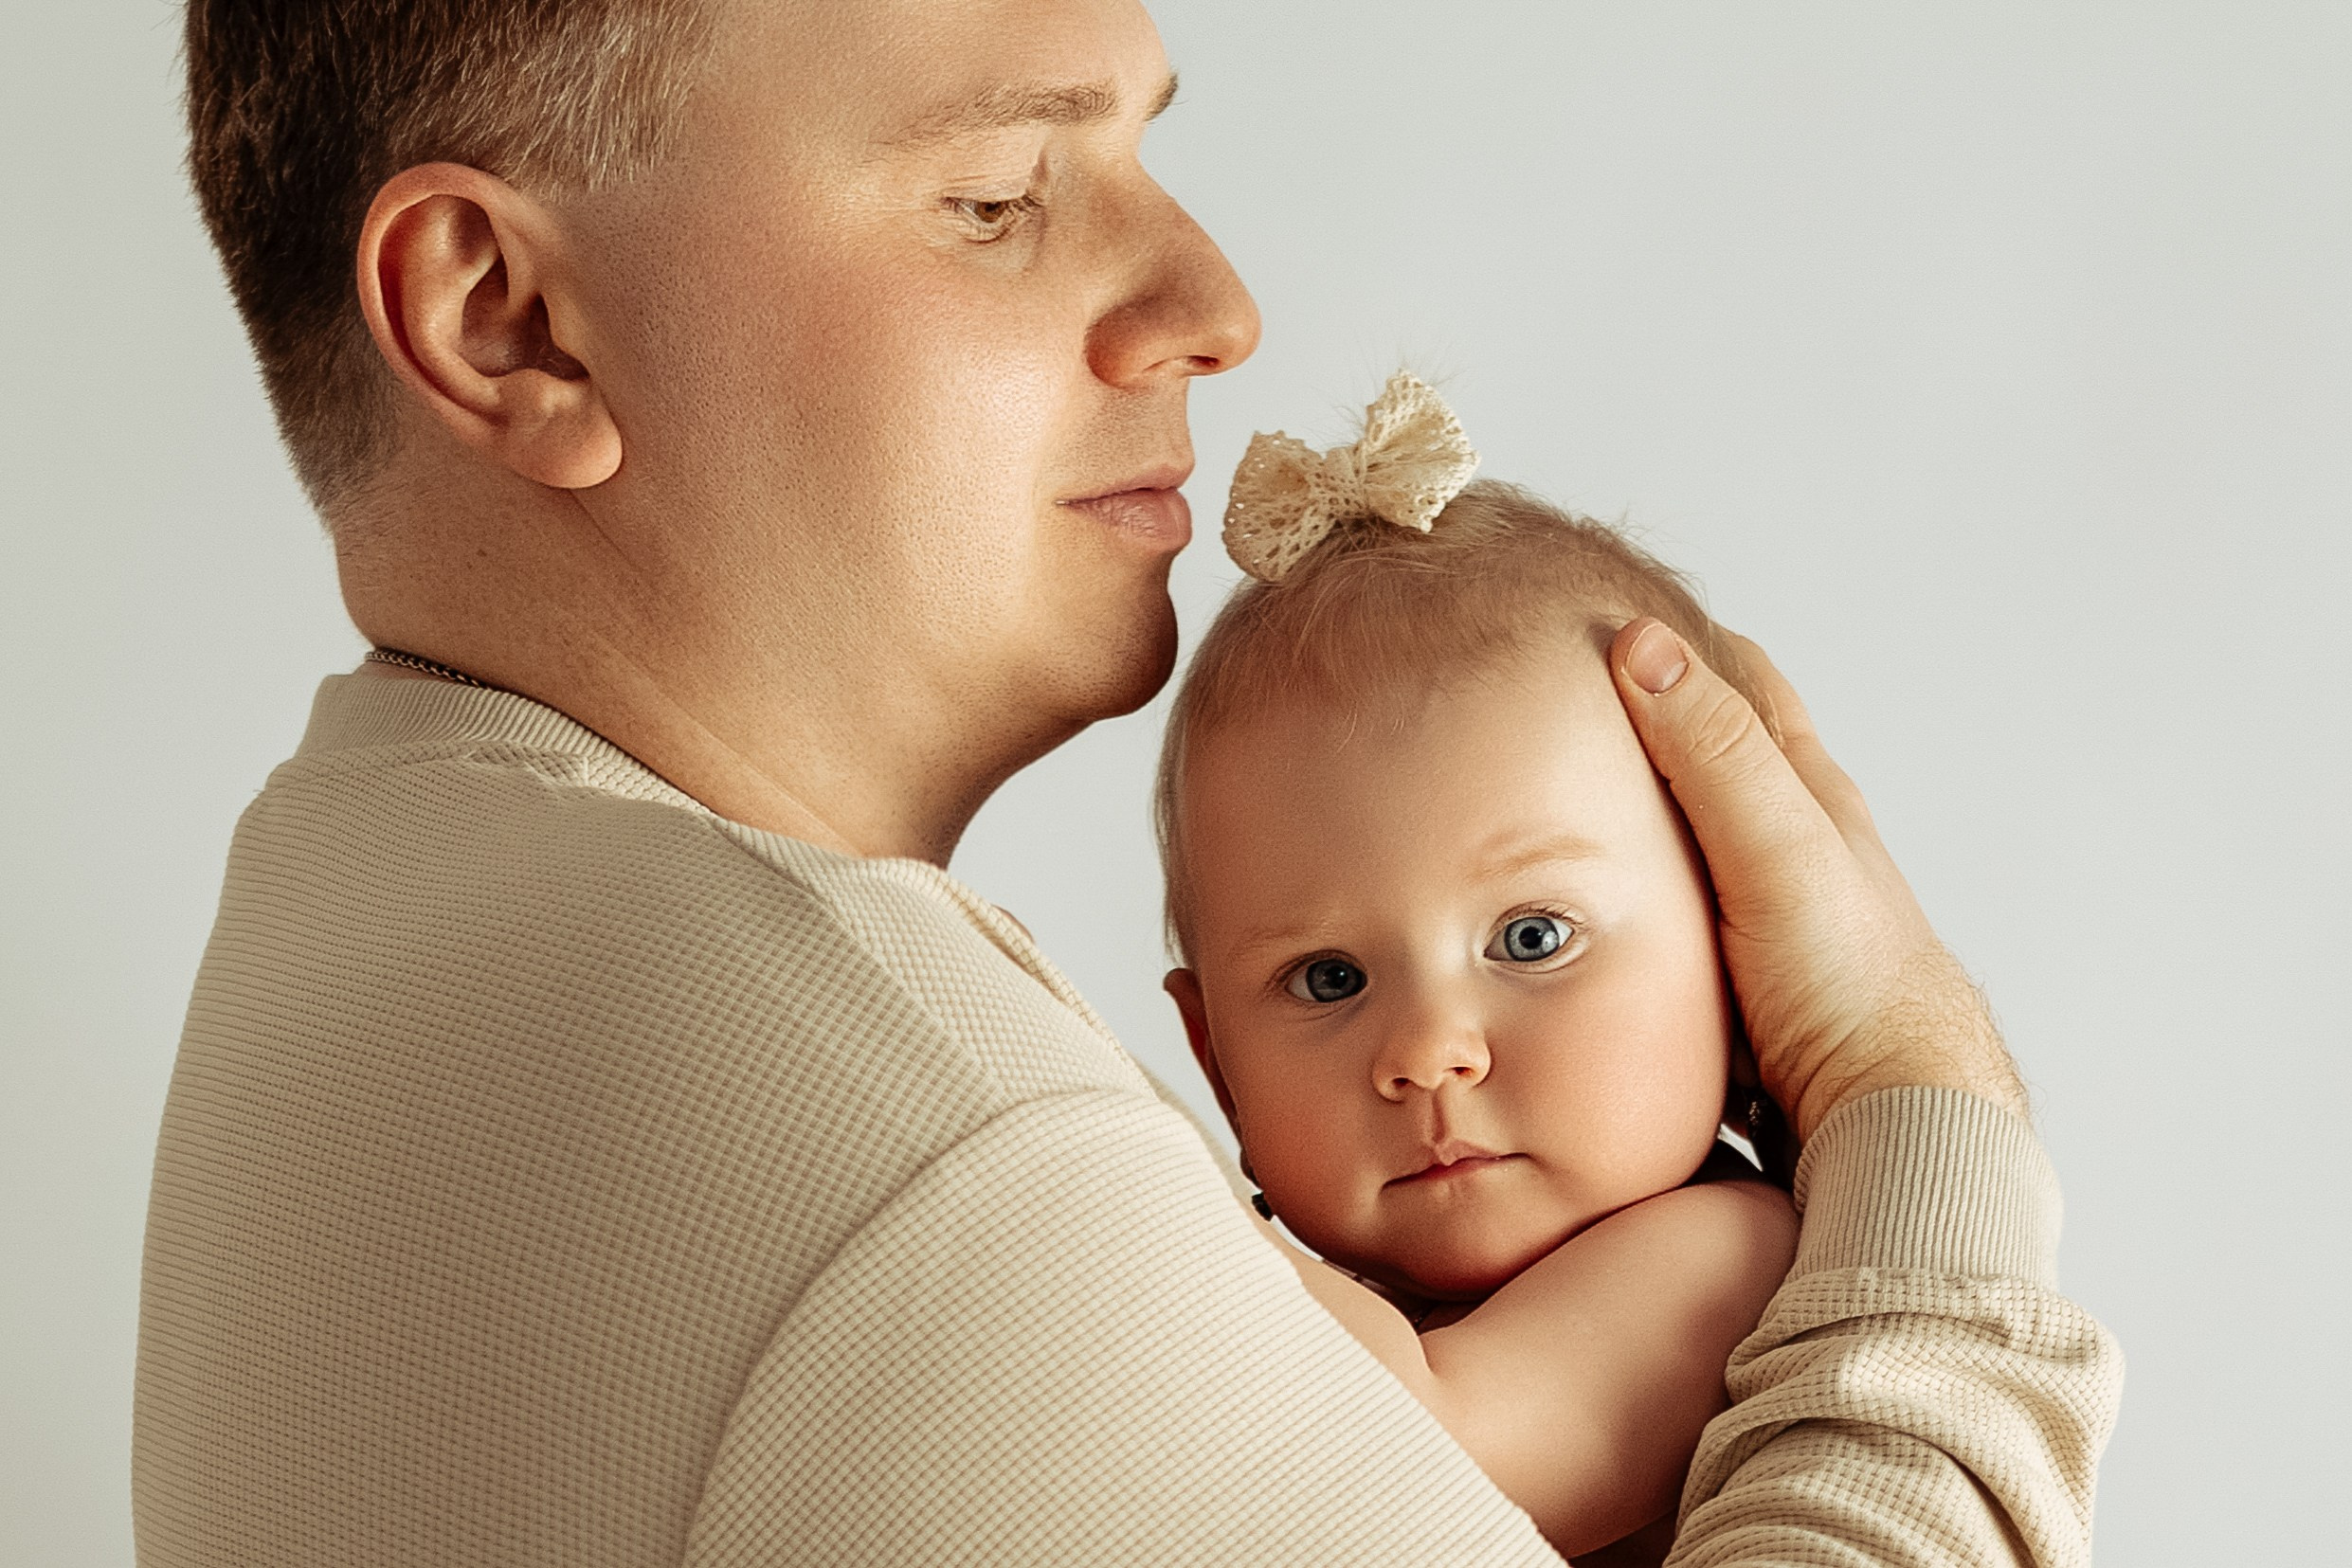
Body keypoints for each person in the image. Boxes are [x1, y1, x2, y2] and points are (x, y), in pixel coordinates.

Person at [137, 2, 2122, 1565]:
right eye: (998, 190)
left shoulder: (348, 919)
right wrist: (1912, 1109)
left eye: (1141, 148)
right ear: (512, 319)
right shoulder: (902, 1148)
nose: (1211, 302)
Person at [1155, 374, 1804, 1559]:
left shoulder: (1728, 1254)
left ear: (1734, 947)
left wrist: (1118, 1159)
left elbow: (1406, 1454)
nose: (1425, 1050)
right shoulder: (1331, 1287)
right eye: (1329, 979)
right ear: (1215, 1064)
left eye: (1532, 937)